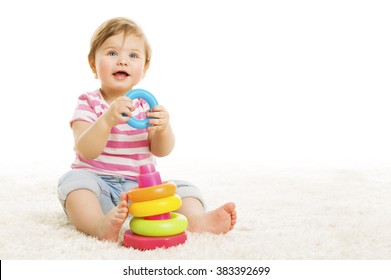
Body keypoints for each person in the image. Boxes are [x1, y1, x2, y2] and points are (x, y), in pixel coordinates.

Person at [57, 17, 237, 242]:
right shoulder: (88, 103)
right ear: (93, 63)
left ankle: (196, 220)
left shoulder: (146, 106)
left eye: (133, 55)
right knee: (73, 184)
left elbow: (162, 150)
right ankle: (98, 225)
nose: (122, 61)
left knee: (183, 189)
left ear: (145, 66)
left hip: (142, 189)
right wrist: (105, 121)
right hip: (97, 186)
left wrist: (163, 128)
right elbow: (86, 149)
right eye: (112, 53)